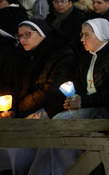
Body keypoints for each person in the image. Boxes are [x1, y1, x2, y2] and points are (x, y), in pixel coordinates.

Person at [27, 19, 109, 174]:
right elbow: (80, 85)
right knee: (46, 125)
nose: (82, 39)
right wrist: (73, 98)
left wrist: (82, 101)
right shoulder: (87, 57)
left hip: (105, 110)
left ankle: (72, 170)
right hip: (87, 107)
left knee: (59, 126)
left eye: (86, 35)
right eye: (81, 35)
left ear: (100, 34)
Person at [0, 19, 77, 174]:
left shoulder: (61, 53)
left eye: (27, 35)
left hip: (49, 110)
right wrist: (12, 109)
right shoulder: (19, 54)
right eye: (19, 36)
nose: (22, 40)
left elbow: (52, 90)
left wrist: (19, 111)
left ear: (42, 34)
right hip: (22, 112)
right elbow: (8, 84)